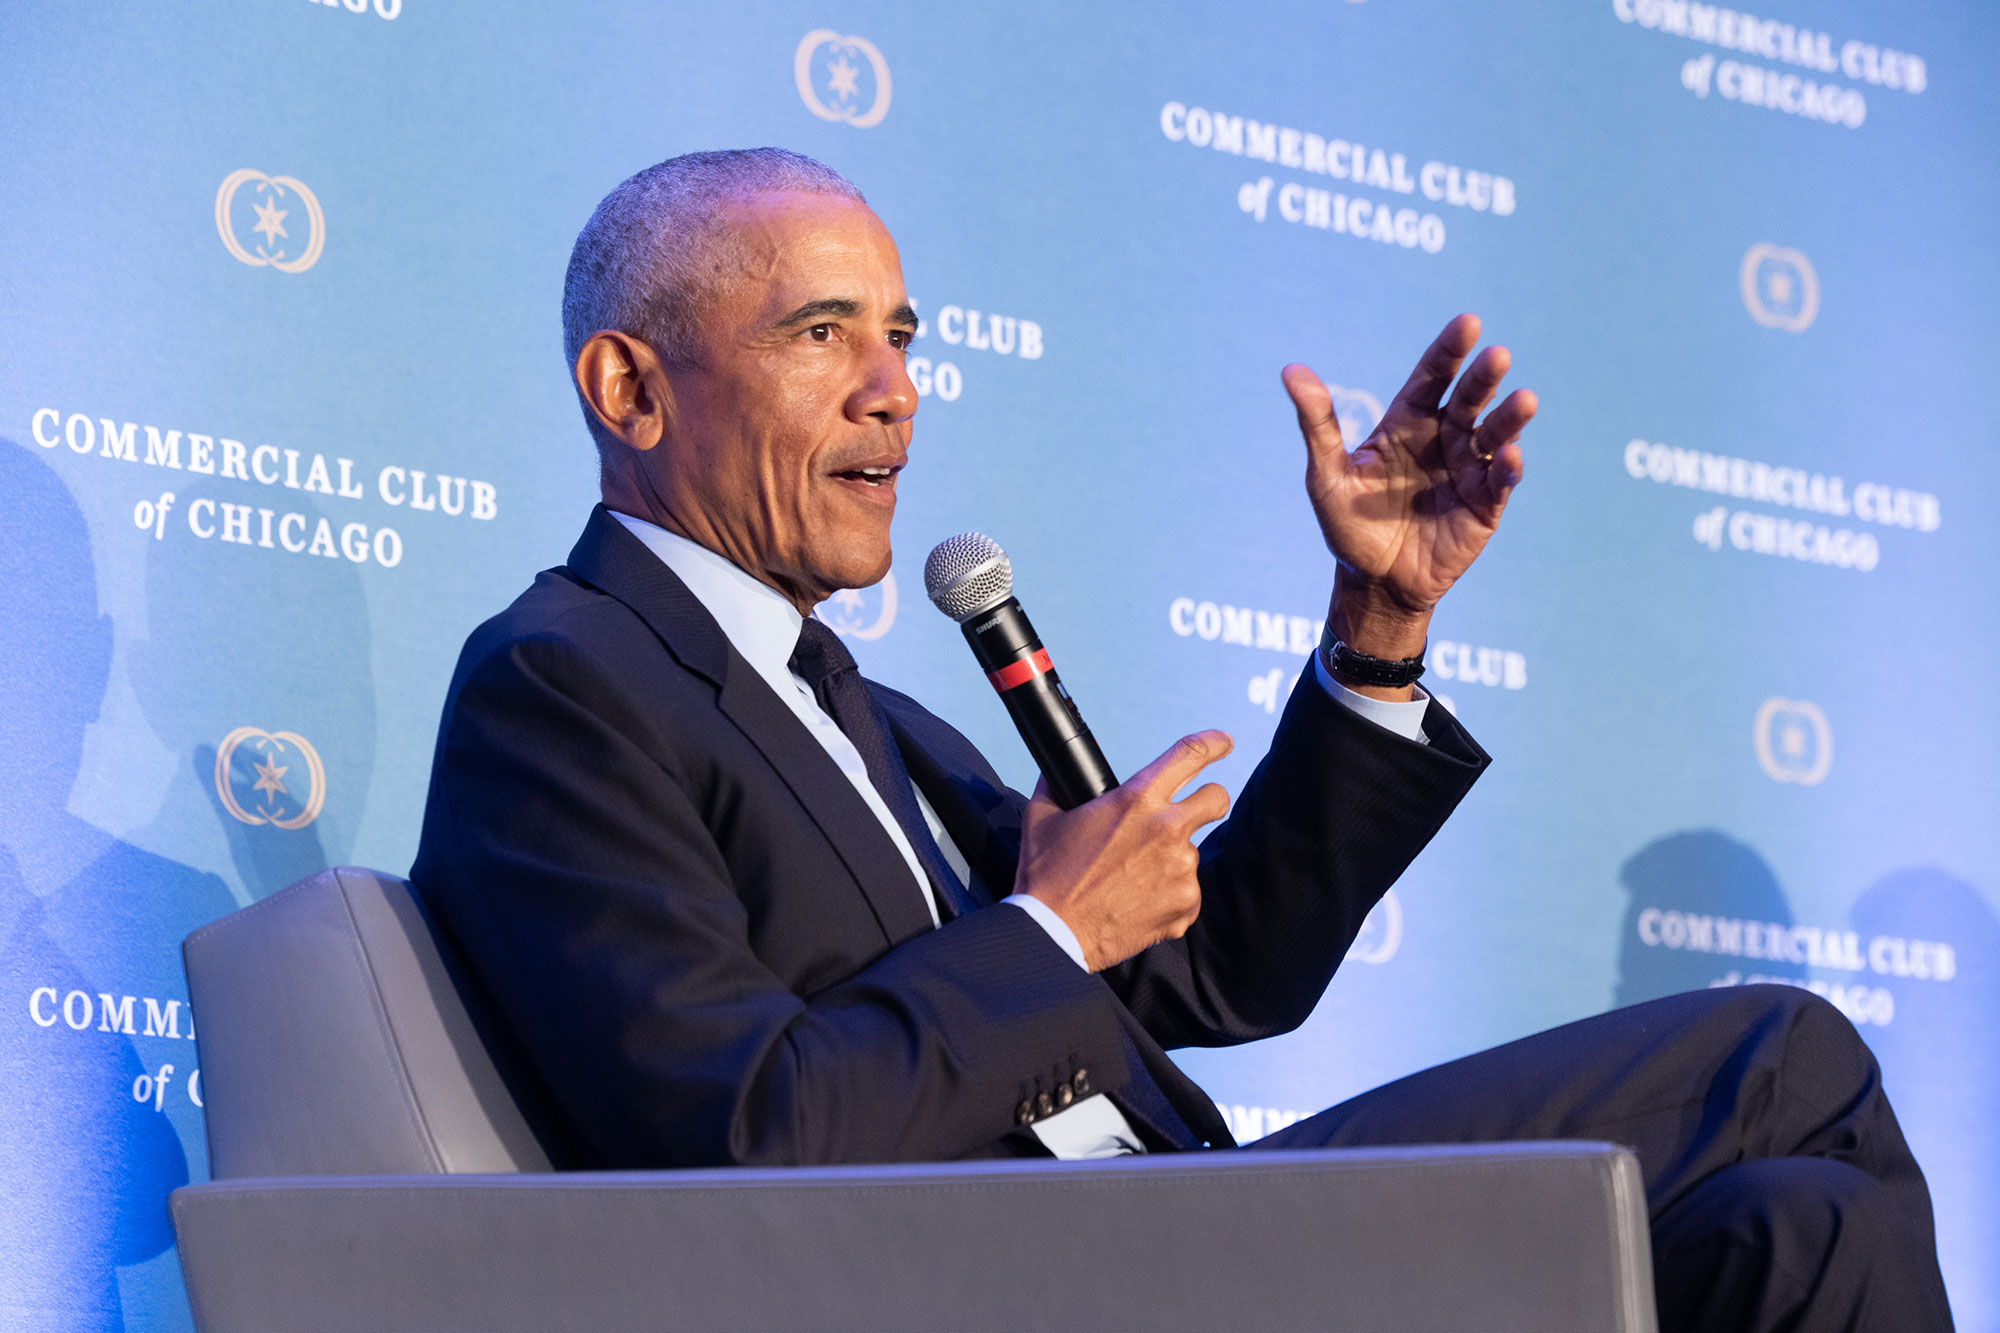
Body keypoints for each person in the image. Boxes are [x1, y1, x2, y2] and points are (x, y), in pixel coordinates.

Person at [410, 149, 1952, 1331]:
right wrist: (1045, 922)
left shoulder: (868, 711)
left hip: (1168, 1227)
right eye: (824, 334)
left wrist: (1379, 626)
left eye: (902, 335)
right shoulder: (563, 684)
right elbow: (741, 1143)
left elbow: (1222, 977)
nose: (897, 391)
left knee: (1803, 1227)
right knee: (1785, 1052)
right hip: (1056, 1279)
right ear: (630, 388)